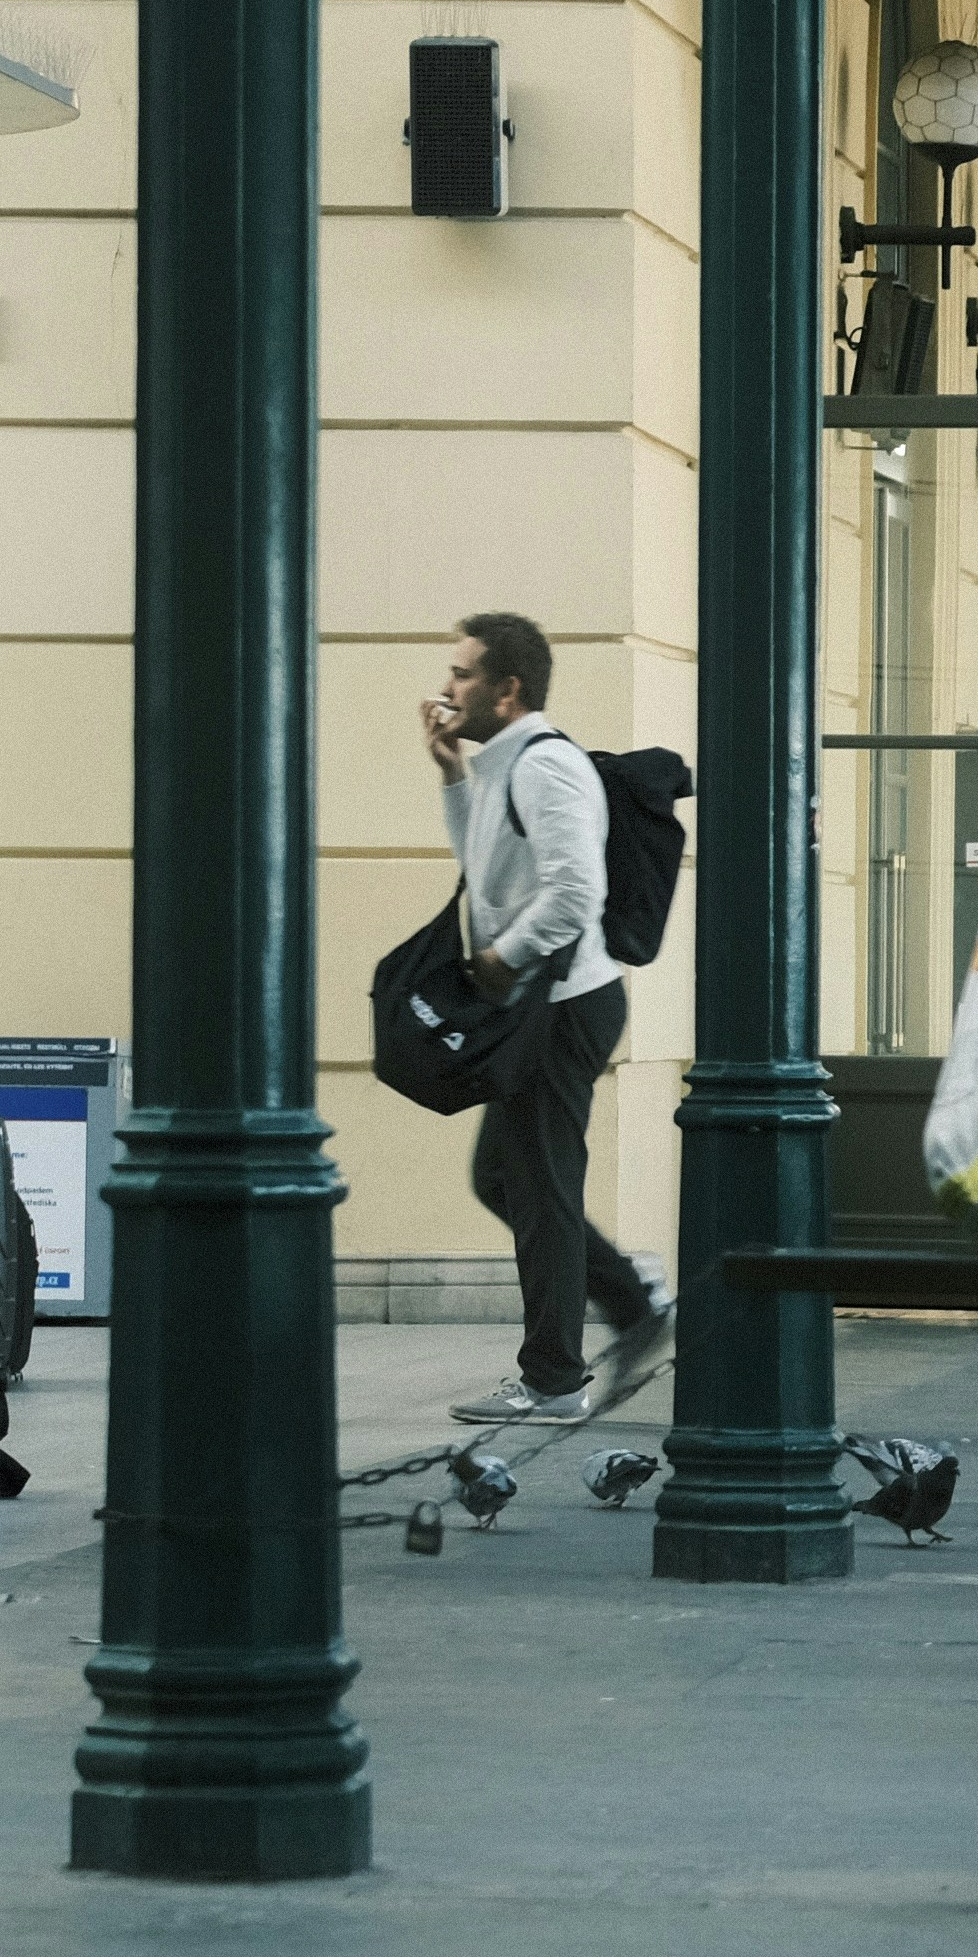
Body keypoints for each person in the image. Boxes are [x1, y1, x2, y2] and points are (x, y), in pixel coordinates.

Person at [424, 611, 671, 1429]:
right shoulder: (504, 764)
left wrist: (503, 958)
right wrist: (451, 774)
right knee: (506, 1176)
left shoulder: (547, 767)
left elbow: (575, 893)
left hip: (562, 1007)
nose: (448, 685)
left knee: (538, 1182)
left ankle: (555, 1378)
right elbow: (486, 870)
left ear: (508, 689)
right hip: (542, 1006)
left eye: (463, 673)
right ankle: (631, 1303)